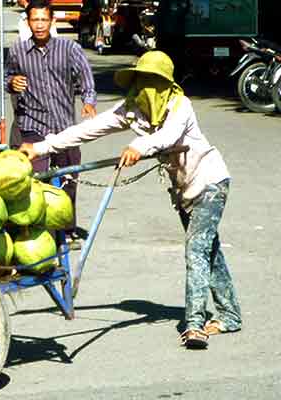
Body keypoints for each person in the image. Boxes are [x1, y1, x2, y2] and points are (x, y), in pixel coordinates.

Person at [19, 51, 242, 349]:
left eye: (152, 82)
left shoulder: (180, 106)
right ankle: (230, 315)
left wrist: (139, 145)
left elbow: (166, 137)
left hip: (210, 182)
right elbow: (88, 129)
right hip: (183, 188)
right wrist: (42, 147)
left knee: (196, 250)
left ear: (165, 85)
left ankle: (194, 325)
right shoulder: (133, 108)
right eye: (141, 81)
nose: (145, 89)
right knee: (208, 250)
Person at [5, 0, 97, 247]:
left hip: (65, 126)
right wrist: (12, 83)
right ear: (28, 22)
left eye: (44, 20)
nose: (39, 25)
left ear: (52, 21)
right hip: (32, 125)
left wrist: (89, 102)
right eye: (35, 20)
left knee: (68, 179)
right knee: (35, 183)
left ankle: (66, 230)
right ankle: (37, 233)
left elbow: (86, 79)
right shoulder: (17, 52)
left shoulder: (69, 49)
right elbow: (7, 78)